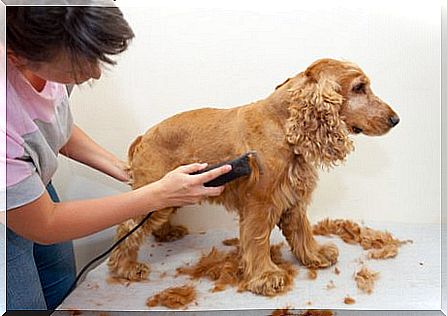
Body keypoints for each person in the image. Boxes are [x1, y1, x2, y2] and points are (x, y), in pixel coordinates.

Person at [5, 6, 231, 311]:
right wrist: (157, 194)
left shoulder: (50, 51)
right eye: (78, 67)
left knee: (62, 289)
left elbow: (50, 126)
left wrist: (125, 169)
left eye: (96, 59)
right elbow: (44, 224)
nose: (95, 72)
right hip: (15, 210)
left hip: (30, 184)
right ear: (16, 56)